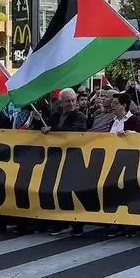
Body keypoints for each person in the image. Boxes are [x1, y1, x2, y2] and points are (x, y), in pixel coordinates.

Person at [43, 88, 88, 237]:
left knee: (73, 193)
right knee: (58, 192)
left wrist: (52, 130)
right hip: (57, 159)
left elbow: (75, 132)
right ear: (61, 102)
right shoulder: (55, 116)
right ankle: (62, 222)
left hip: (73, 160)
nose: (72, 103)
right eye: (68, 101)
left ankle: (77, 225)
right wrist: (39, 123)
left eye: (73, 100)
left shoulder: (79, 116)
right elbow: (44, 129)